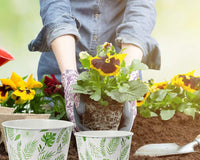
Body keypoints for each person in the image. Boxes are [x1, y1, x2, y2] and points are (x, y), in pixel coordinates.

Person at [29, 0, 161, 131]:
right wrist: (69, 76)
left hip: (114, 76)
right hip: (60, 67)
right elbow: (55, 8)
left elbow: (141, 10)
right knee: (51, 141)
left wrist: (127, 77)